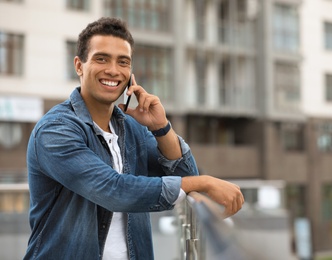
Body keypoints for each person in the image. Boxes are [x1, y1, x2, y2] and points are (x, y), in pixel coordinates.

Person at [24, 17, 244, 260]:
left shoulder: (131, 128)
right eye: (101, 58)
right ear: (79, 65)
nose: (113, 70)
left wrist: (161, 127)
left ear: (131, 75)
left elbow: (185, 176)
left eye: (123, 62)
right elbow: (113, 190)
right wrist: (205, 183)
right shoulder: (56, 130)